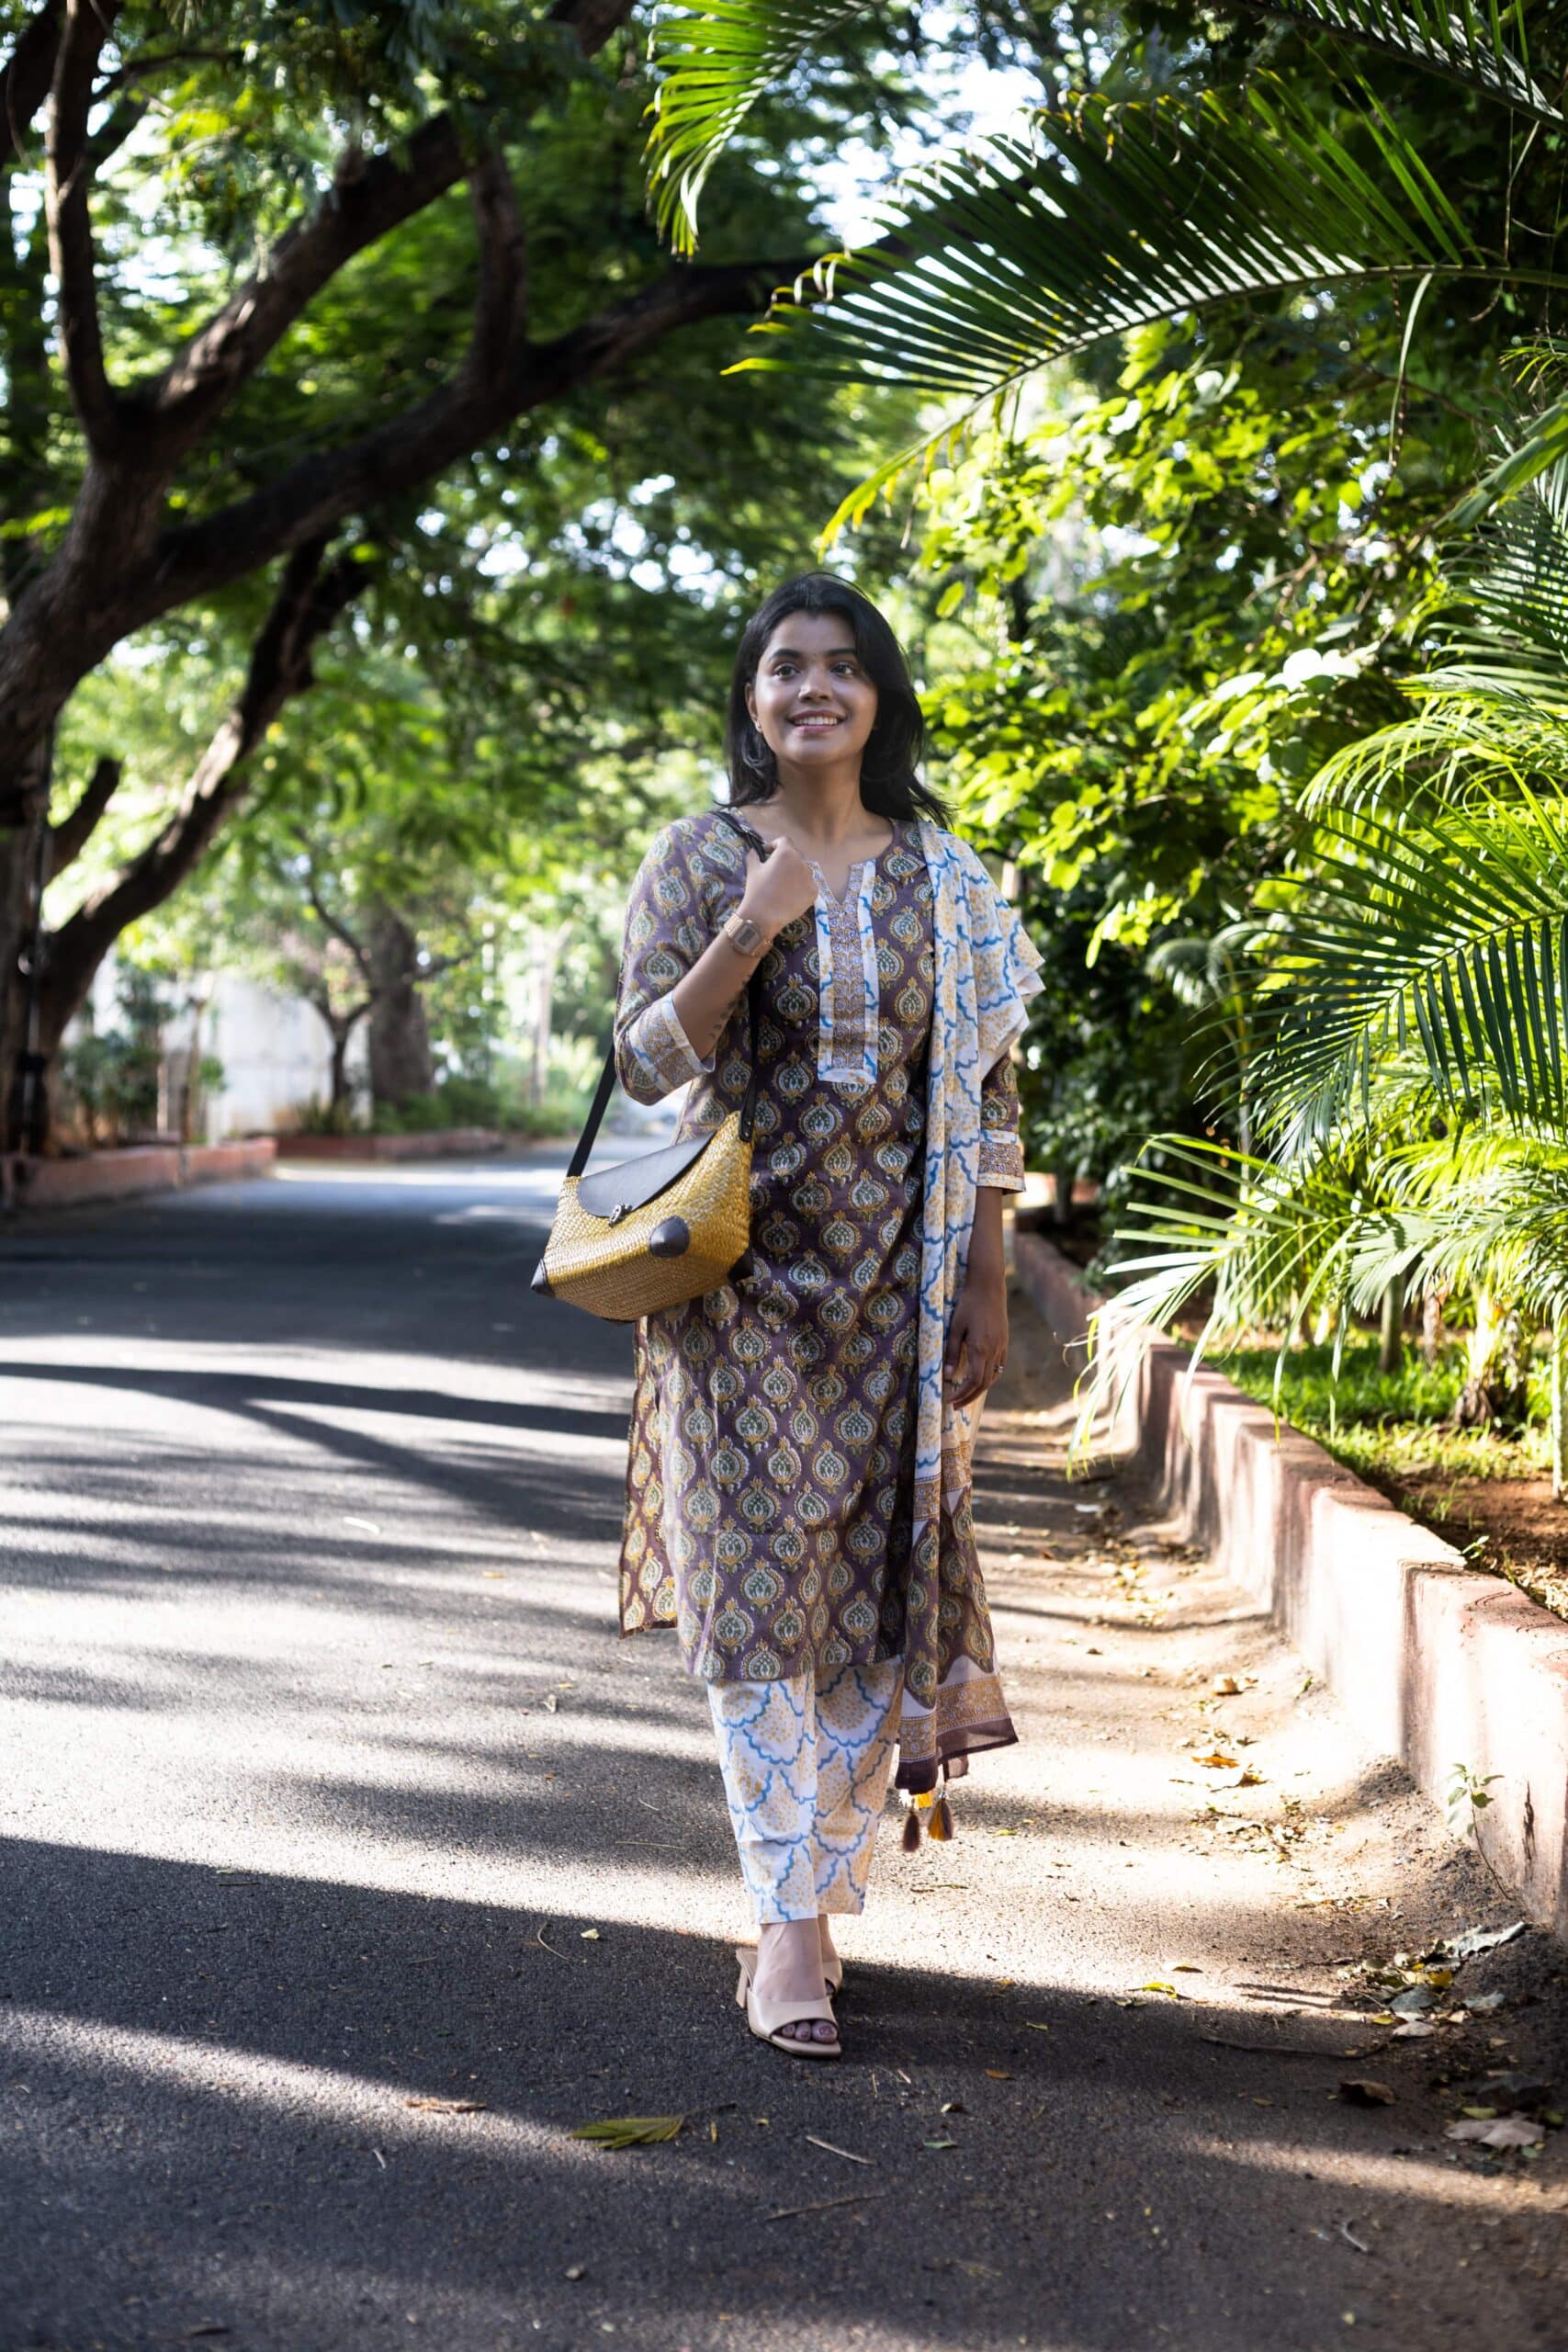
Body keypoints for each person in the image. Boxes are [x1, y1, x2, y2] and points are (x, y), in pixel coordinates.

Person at [613, 572, 1043, 2058]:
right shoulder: (695, 859)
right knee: (754, 1603)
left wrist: (987, 1273)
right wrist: (751, 924)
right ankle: (788, 1928)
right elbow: (649, 1062)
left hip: (900, 1296)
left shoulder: (947, 878)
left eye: (844, 667)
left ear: (881, 699)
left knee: (871, 1595)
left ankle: (820, 1887)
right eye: (787, 665)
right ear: (751, 697)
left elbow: (988, 1090)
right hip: (738, 1287)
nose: (815, 687)